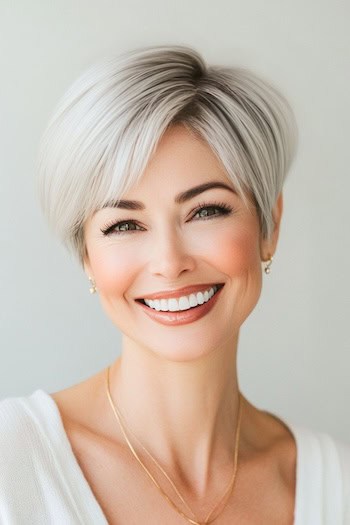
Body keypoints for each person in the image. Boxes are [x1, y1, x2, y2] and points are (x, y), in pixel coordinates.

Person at [0, 45, 349, 525]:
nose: (169, 262)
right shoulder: (11, 464)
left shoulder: (337, 485)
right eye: (124, 224)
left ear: (270, 225)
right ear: (86, 254)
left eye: (206, 211)